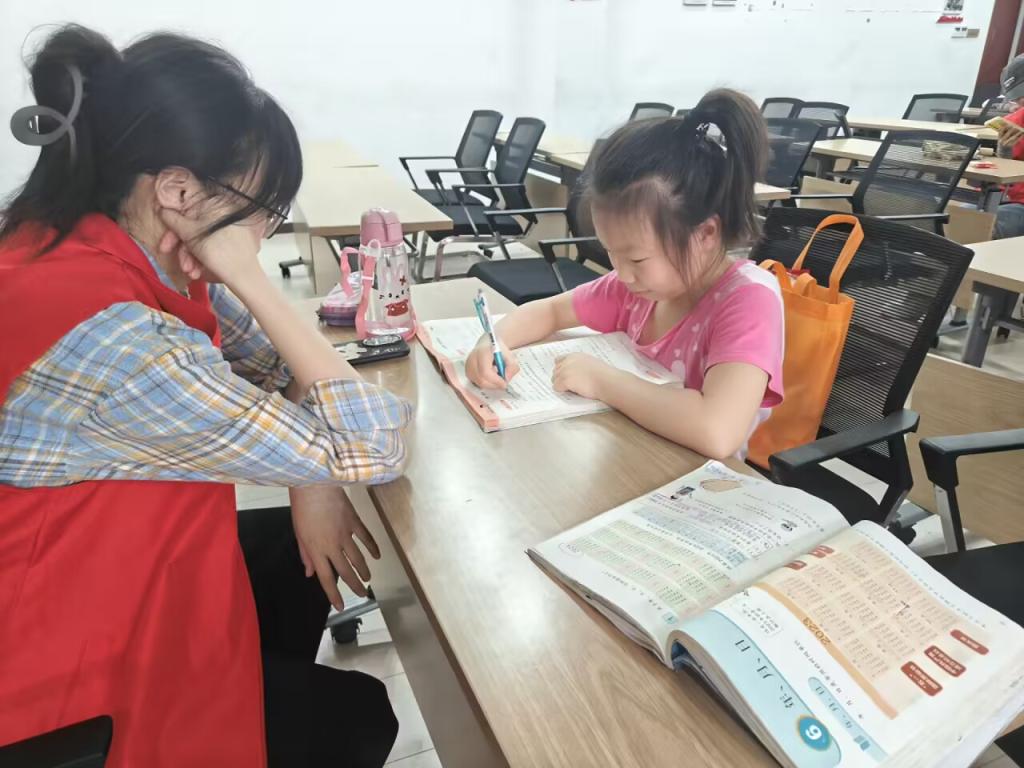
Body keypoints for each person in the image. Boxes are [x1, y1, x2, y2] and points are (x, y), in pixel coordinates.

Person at [0, 25, 411, 767]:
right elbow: (370, 442)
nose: (263, 232)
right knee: (354, 719)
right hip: (60, 678)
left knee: (294, 562)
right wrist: (251, 276)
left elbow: (269, 366)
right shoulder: (121, 341)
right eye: (262, 213)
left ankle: (256, 682)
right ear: (179, 192)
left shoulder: (84, 242)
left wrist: (311, 480)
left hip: (103, 564)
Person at [465, 89, 783, 461]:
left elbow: (717, 432)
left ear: (705, 234)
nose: (621, 274)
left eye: (636, 258)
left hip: (696, 476)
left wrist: (603, 380)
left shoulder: (748, 300)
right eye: (611, 254)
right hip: (628, 454)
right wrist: (492, 342)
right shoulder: (638, 287)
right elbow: (549, 311)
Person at [992, 55, 1024, 239]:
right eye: (1018, 97)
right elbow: (1002, 173)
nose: (1021, 101)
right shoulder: (1013, 122)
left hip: (1017, 205)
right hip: (1006, 198)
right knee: (962, 216)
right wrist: (1004, 150)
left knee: (994, 224)